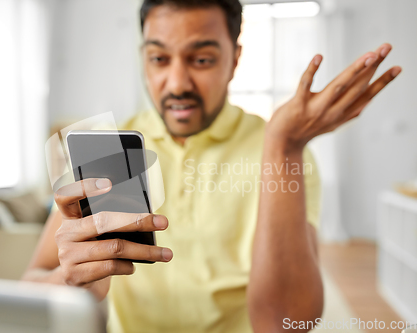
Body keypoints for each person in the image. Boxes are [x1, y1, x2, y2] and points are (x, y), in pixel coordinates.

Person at [22, 0, 401, 332]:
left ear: (234, 59)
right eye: (159, 58)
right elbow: (30, 284)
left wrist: (284, 149)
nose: (177, 83)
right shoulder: (109, 154)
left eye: (201, 60)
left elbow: (284, 324)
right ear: (143, 59)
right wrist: (70, 281)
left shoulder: (282, 152)